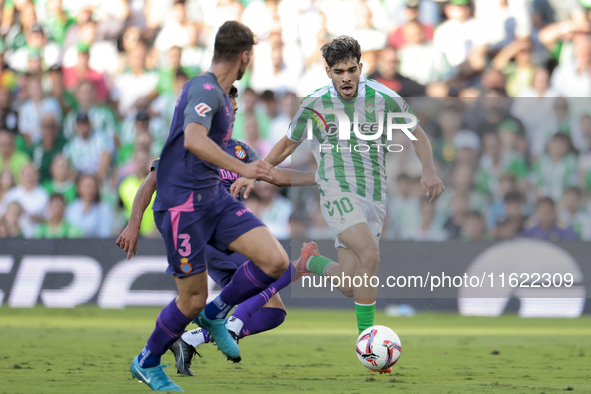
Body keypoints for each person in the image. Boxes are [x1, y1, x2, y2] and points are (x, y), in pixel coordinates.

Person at [233, 36, 444, 360]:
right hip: (336, 193)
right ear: (328, 72)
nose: (346, 77)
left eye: (351, 69)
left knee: (350, 284)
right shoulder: (314, 104)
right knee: (370, 254)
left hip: (374, 196)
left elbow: (417, 134)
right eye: (338, 71)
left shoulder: (385, 98)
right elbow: (287, 145)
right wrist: (252, 171)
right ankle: (369, 344)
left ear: (361, 67)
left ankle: (311, 262)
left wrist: (428, 170)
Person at [126, 21, 288, 391]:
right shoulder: (203, 88)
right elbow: (194, 140)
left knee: (275, 261)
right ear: (245, 56)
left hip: (212, 198)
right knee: (192, 298)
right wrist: (243, 168)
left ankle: (217, 313)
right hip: (181, 206)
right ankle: (147, 361)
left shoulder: (220, 94)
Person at [118, 83, 315, 384]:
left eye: (235, 113)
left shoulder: (240, 151)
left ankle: (195, 335)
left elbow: (274, 175)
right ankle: (208, 322)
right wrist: (133, 224)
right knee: (274, 268)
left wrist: (319, 178)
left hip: (227, 229)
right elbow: (150, 184)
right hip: (203, 233)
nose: (231, 119)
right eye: (228, 113)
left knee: (274, 312)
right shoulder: (187, 144)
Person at [65, 173, 114, 238]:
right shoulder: (72, 207)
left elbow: (106, 234)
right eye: (85, 186)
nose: (88, 190)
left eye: (91, 186)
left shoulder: (104, 208)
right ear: (78, 188)